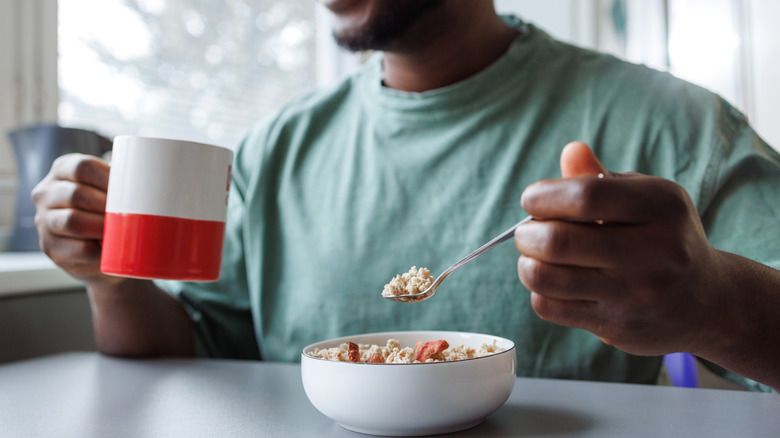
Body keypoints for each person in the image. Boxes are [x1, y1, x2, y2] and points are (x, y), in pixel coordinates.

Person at [32, 0, 780, 392]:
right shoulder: (276, 148)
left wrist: (713, 301)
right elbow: (191, 359)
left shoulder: (675, 126)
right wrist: (110, 281)